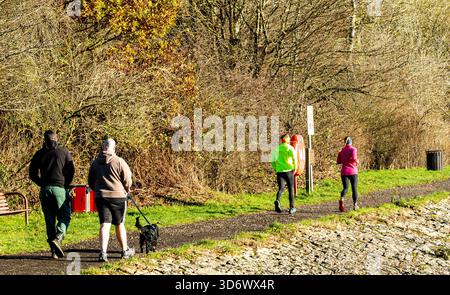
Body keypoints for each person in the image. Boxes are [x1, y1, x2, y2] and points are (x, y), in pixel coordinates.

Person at [29, 130, 74, 259]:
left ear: (45, 140)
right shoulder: (64, 152)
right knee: (65, 215)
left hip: (44, 190)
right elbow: (71, 171)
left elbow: (32, 173)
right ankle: (58, 237)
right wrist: (66, 185)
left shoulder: (39, 154)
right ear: (56, 138)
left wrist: (41, 183)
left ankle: (53, 251)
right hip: (60, 189)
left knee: (49, 220)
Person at [88, 138, 135, 262]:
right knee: (119, 224)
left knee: (104, 224)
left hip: (101, 197)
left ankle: (103, 253)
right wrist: (127, 189)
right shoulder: (119, 161)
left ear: (103, 147)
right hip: (118, 197)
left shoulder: (95, 163)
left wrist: (98, 189)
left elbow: (90, 182)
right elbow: (128, 180)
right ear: (114, 148)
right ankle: (125, 250)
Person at [271, 133, 297, 215]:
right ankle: (292, 207)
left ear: (281, 140)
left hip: (279, 171)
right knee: (291, 189)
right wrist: (295, 168)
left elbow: (273, 160)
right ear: (287, 139)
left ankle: (277, 200)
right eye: (289, 138)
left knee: (281, 188)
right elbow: (294, 159)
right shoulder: (290, 148)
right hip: (289, 170)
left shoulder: (276, 149)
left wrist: (275, 168)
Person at [337, 136, 359, 211]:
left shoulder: (341, 151)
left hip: (344, 172)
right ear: (351, 142)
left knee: (345, 188)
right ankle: (355, 205)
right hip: (353, 171)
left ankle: (341, 202)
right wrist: (357, 162)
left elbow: (338, 161)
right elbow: (354, 158)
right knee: (354, 188)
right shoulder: (353, 149)